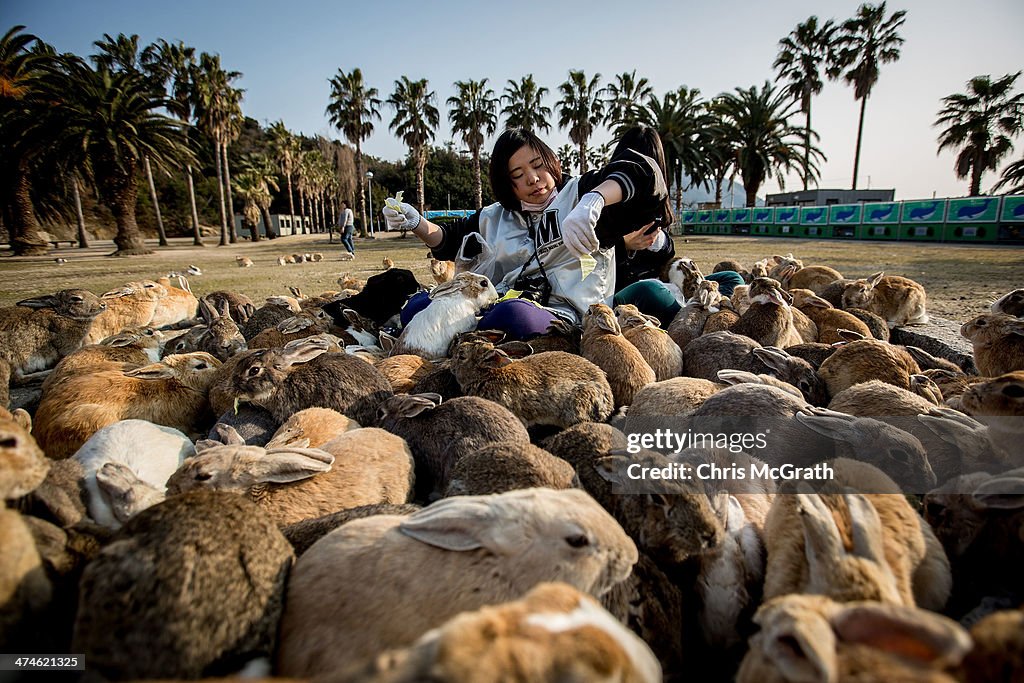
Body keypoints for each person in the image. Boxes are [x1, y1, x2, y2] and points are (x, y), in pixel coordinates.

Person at [383, 127, 667, 340]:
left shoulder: (578, 193)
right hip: (496, 303)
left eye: (538, 165)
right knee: (418, 305)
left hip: (568, 316)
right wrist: (416, 221)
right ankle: (466, 329)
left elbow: (646, 173)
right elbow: (446, 241)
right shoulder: (493, 216)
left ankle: (459, 331)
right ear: (507, 183)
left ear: (550, 161)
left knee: (513, 316)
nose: (532, 178)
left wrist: (595, 201)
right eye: (518, 175)